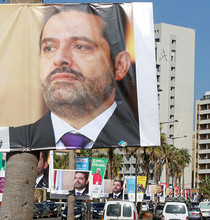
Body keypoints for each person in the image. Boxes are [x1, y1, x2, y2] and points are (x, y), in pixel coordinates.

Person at [10, 4, 139, 150]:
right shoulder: (13, 140)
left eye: (80, 46)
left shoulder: (139, 136)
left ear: (120, 65)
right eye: (49, 48)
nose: (59, 59)